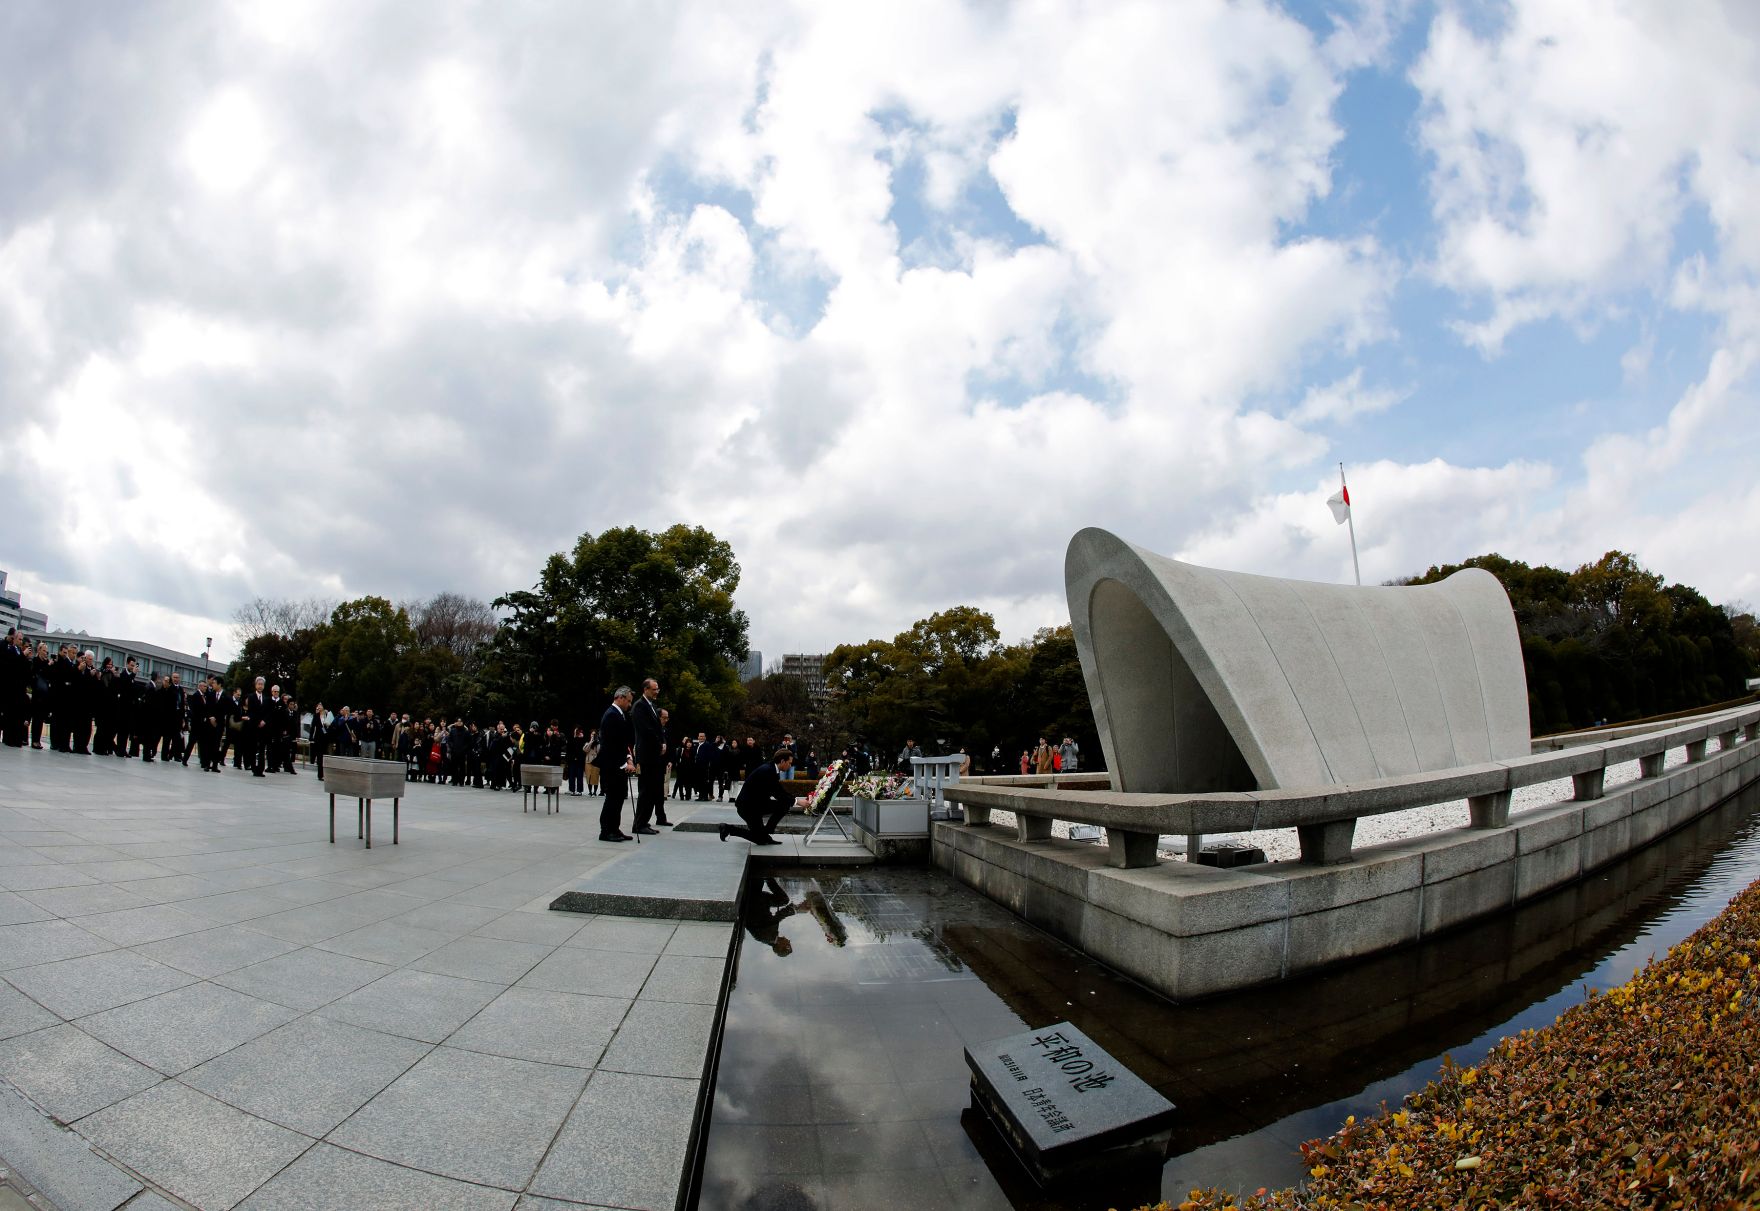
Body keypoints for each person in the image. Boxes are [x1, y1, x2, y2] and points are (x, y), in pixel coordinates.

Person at [719, 747, 800, 846]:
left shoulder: (771, 769)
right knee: (760, 839)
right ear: (782, 761)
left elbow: (780, 791)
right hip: (748, 808)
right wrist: (797, 801)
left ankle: (765, 834)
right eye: (789, 763)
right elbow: (778, 794)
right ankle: (729, 828)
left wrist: (795, 799)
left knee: (762, 837)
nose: (790, 765)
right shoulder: (768, 771)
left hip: (755, 805)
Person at [593, 686, 636, 842]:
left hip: (617, 764)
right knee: (612, 798)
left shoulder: (619, 715)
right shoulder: (611, 715)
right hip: (612, 766)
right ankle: (606, 831)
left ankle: (614, 828)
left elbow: (622, 741)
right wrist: (625, 764)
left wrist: (629, 758)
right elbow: (612, 745)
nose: (630, 705)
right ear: (620, 697)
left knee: (618, 798)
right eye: (629, 701)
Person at [631, 678, 669, 832]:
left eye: (658, 688)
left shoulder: (652, 706)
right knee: (645, 790)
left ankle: (644, 822)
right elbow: (646, 730)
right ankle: (639, 824)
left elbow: (658, 728)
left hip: (654, 754)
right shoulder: (639, 706)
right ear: (645, 689)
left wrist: (663, 742)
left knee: (653, 790)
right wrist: (659, 744)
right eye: (654, 689)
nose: (657, 691)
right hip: (646, 754)